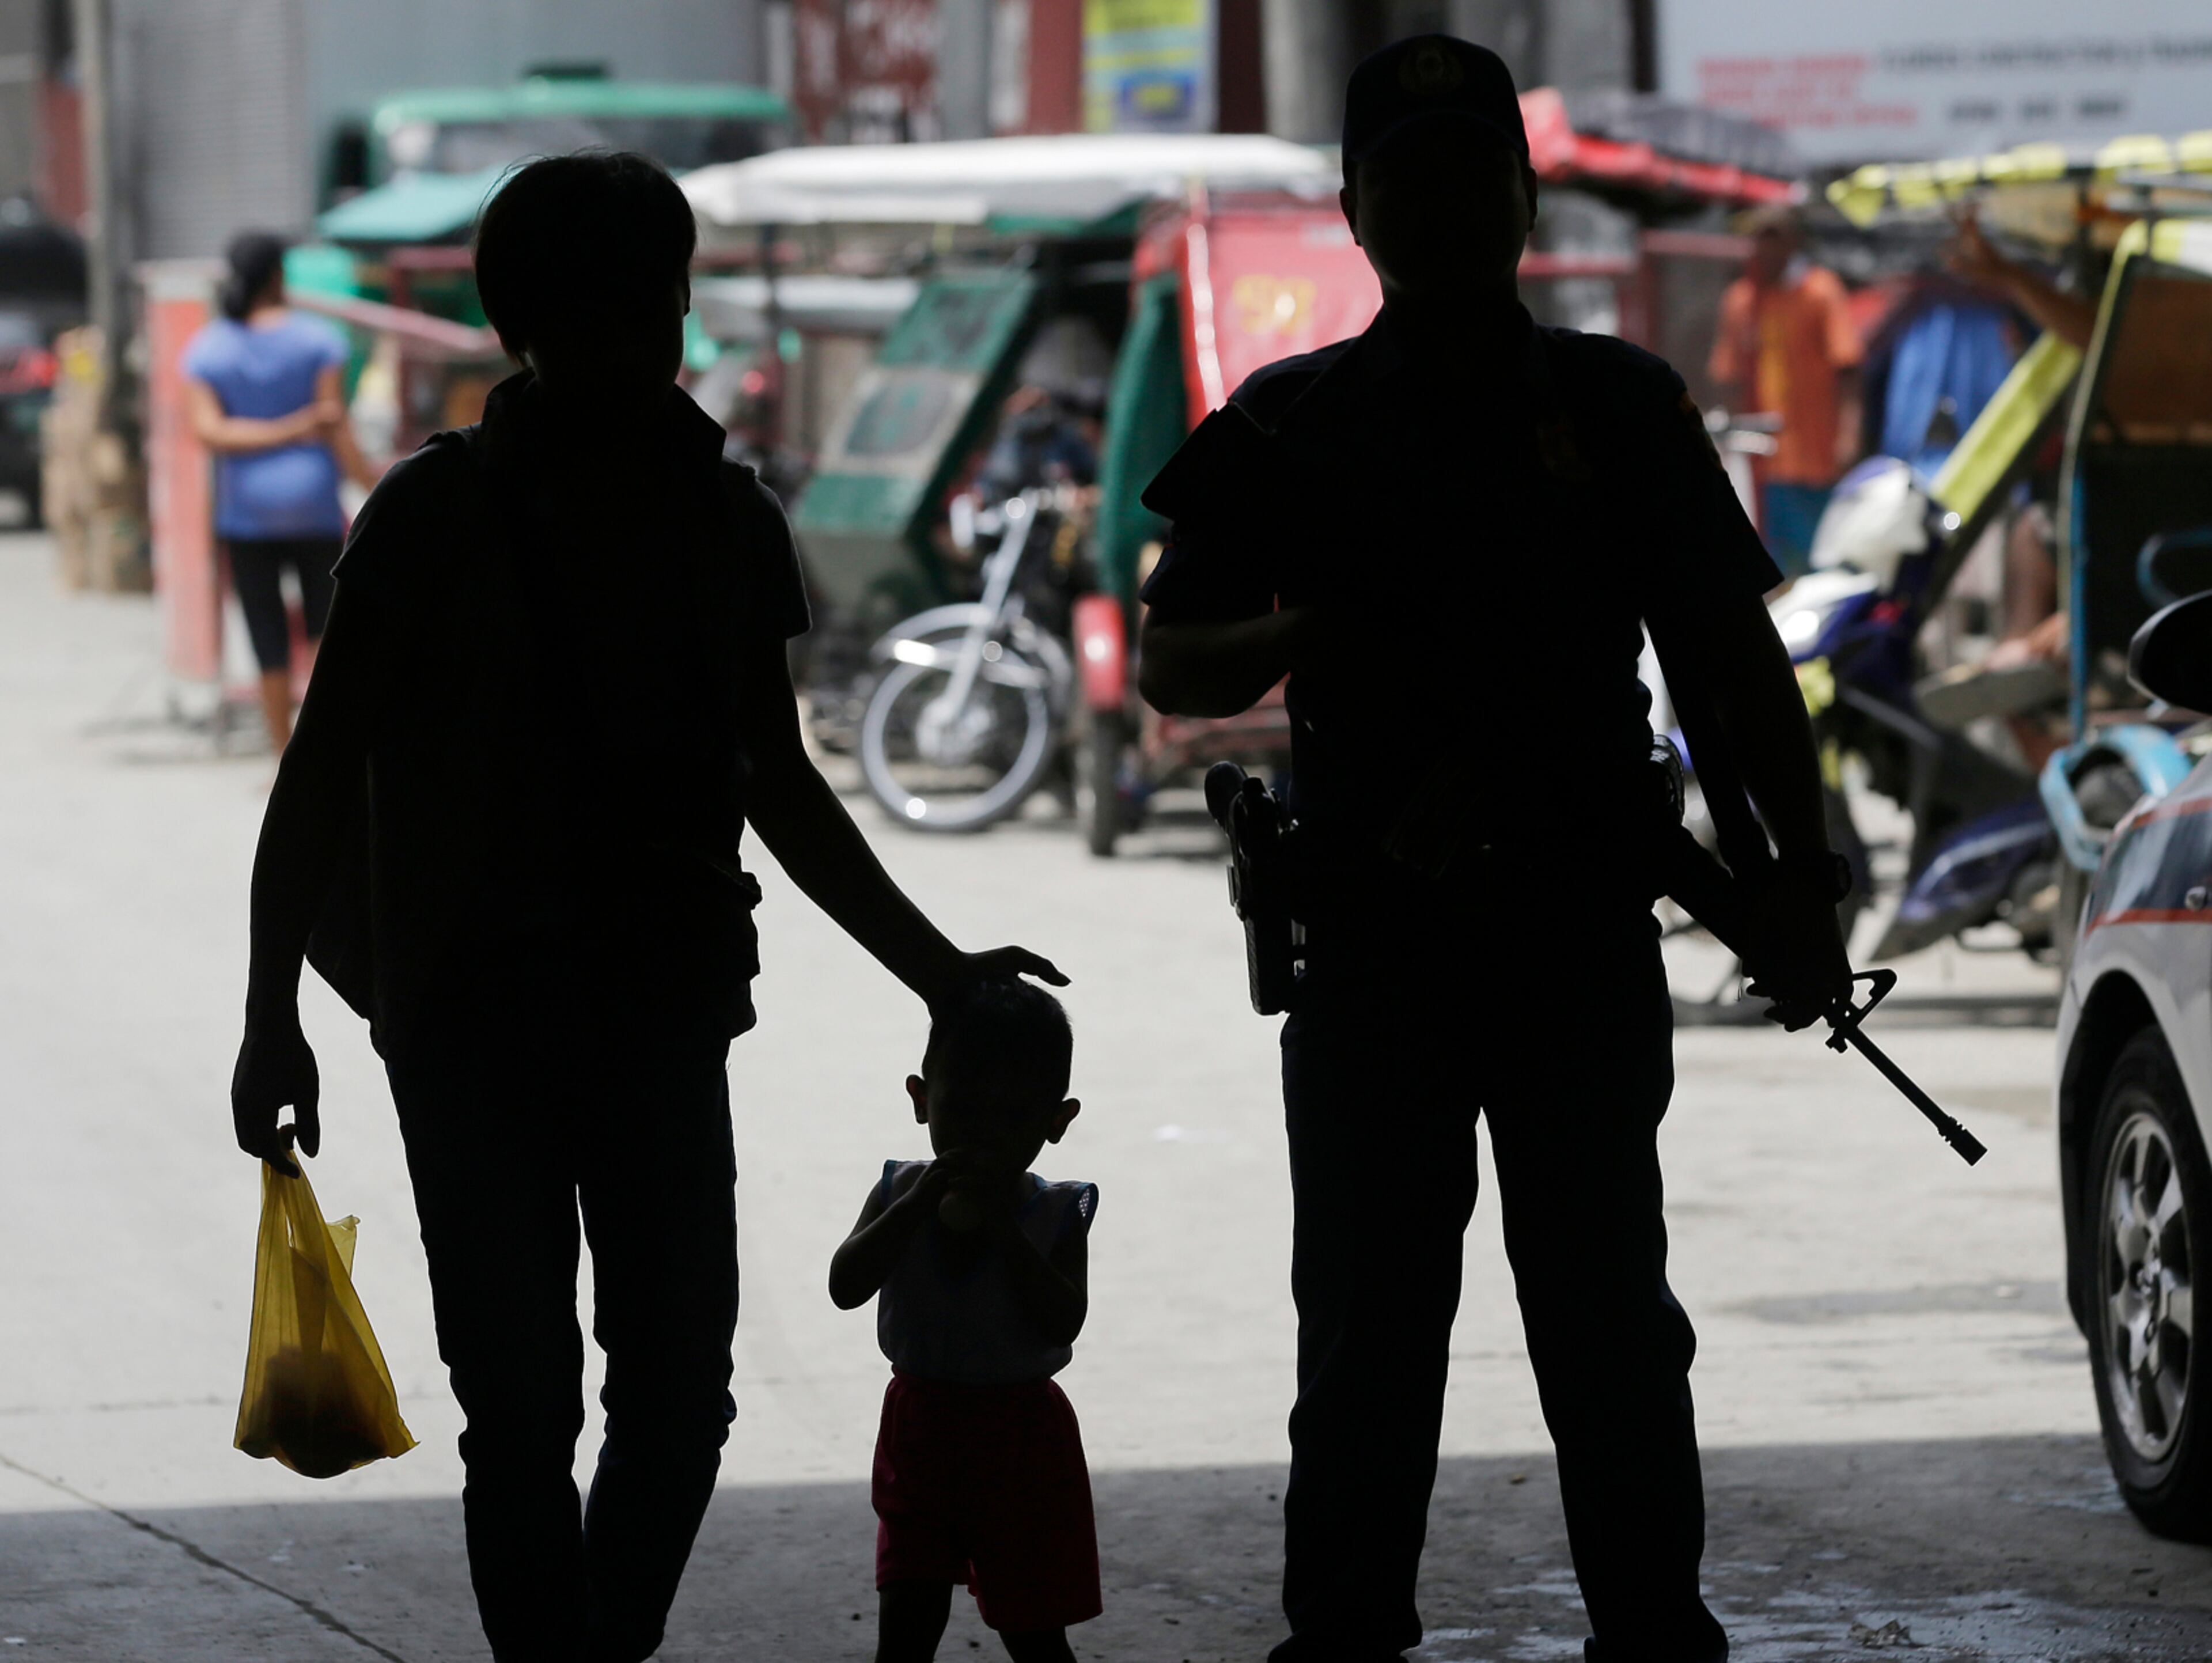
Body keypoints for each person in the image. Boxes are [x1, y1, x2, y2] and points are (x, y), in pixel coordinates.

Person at [227, 152, 1064, 1663]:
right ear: (591, 314)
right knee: (636, 1398)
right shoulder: (655, 520)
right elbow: (782, 792)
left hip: (516, 1016)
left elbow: (318, 781)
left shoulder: (487, 513)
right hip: (599, 1018)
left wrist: (274, 1010)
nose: (647, 326)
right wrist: (265, 1013)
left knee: (560, 1405)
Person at [1136, 36, 1852, 1663]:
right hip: (1376, 939)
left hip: (1575, 928)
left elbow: (1731, 672)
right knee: (1374, 1330)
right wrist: (1327, 618)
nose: (1449, 209)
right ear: (1355, 212)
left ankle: (1652, 1622)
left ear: (1524, 202)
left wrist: (1794, 884)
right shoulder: (1288, 417)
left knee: (1606, 1314)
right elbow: (1180, 663)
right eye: (1412, 180)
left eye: (1477, 177)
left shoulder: (1616, 405)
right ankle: (1346, 1631)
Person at [828, 980, 1099, 1663]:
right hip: (920, 1427)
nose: (983, 1135)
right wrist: (913, 1208)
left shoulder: (1055, 1213)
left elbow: (1061, 1322)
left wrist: (1008, 1236)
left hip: (1022, 1439)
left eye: (1012, 1117)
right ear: (922, 1100)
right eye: (962, 1108)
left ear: (1056, 1121)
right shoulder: (898, 1190)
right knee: (909, 1617)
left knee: (1034, 1630)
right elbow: (846, 1284)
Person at [183, 232, 380, 751]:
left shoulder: (210, 348)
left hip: (245, 515)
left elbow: (210, 431)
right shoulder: (319, 340)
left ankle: (280, 754)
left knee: (266, 638)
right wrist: (372, 485)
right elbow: (336, 426)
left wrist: (276, 429)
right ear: (278, 276)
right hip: (314, 509)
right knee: (327, 634)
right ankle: (330, 749)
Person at [1708, 204, 1864, 578]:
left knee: (1820, 555)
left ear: (1794, 241)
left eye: (1775, 237)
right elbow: (1727, 375)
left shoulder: (1820, 292)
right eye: (1759, 237)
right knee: (1767, 560)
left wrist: (1850, 434)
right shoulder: (1741, 300)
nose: (1766, 248)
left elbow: (1848, 369)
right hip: (1762, 460)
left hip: (1815, 453)